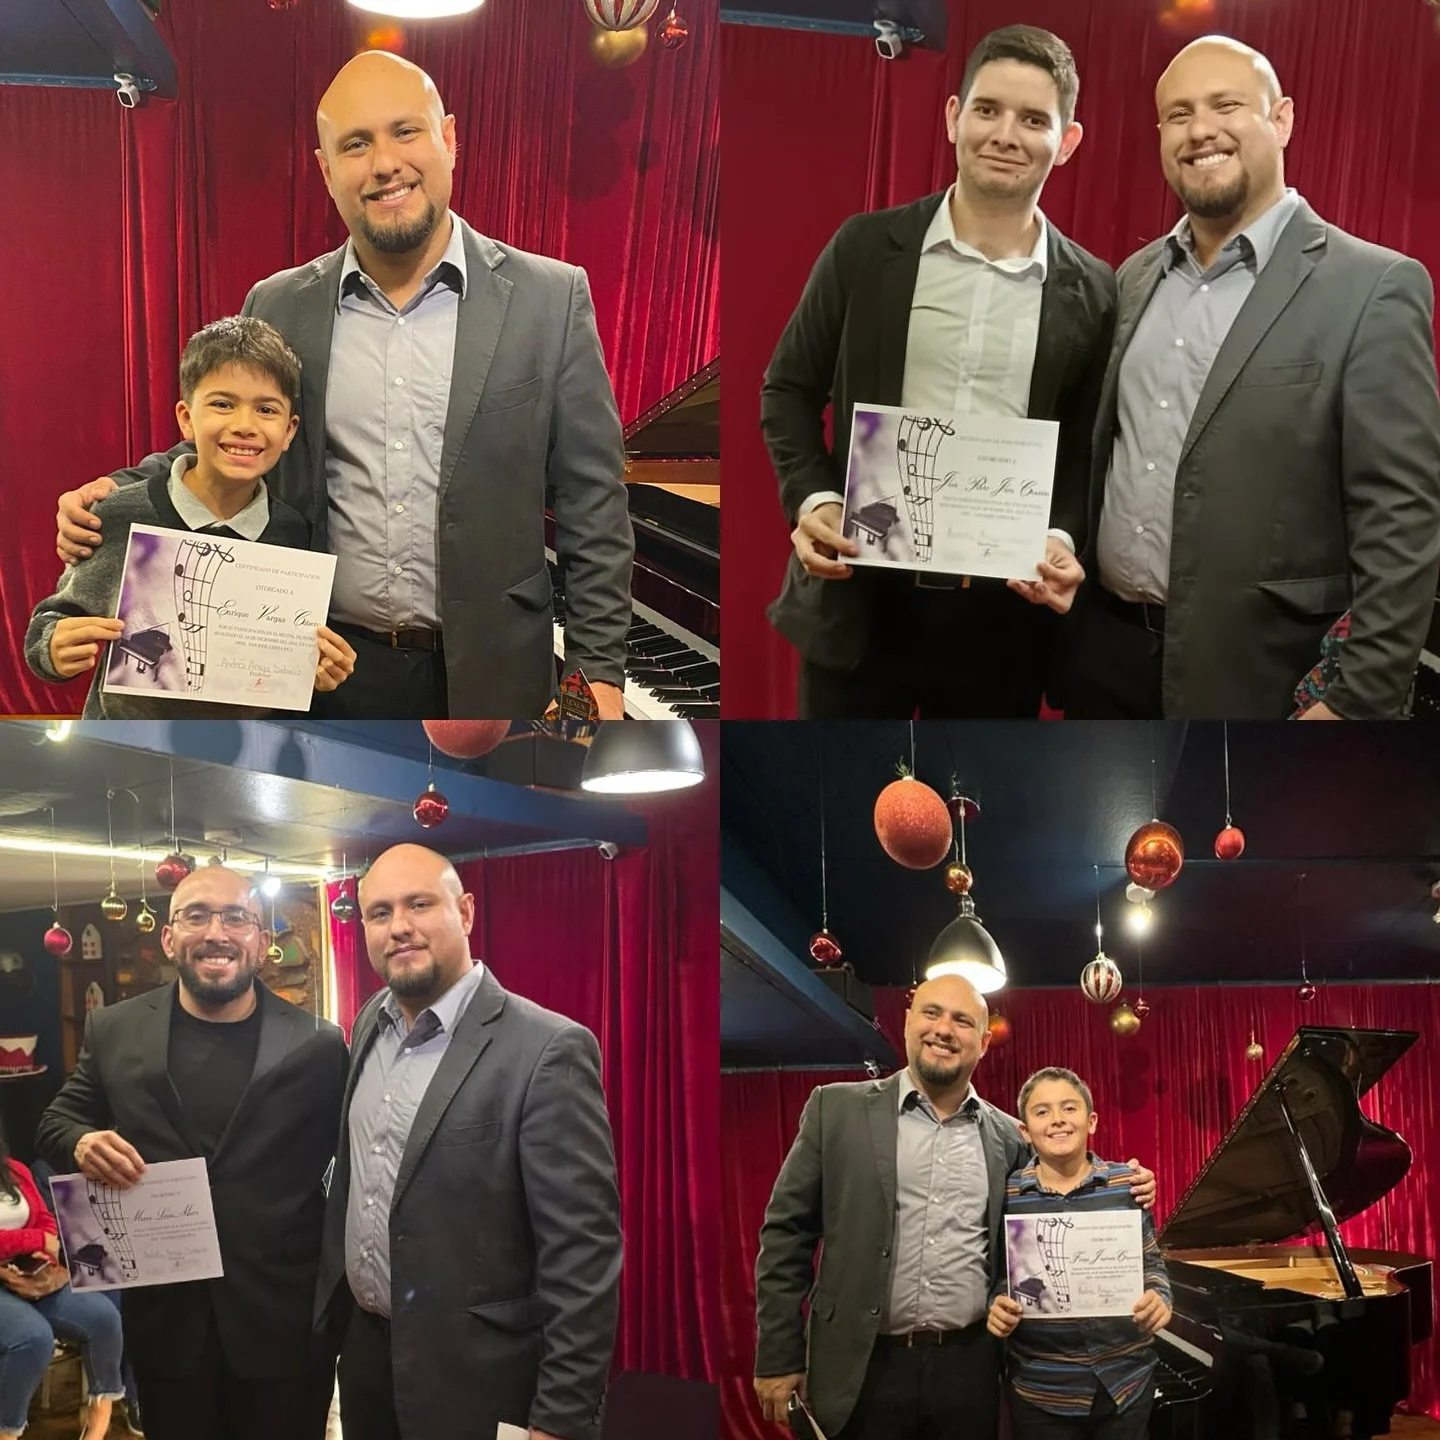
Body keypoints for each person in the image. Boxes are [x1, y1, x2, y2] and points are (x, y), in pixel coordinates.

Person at [54, 49, 633, 721]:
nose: (385, 163)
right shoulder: (277, 304)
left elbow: (594, 504)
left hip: (501, 676)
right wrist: (111, 496)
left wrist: (598, 679)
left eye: (405, 131)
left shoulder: (551, 299)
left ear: (449, 139)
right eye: (356, 144)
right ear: (327, 170)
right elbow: (236, 443)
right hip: (322, 670)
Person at [1068, 35, 1440, 720]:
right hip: (1105, 662)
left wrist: (1355, 701)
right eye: (1178, 114)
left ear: (1283, 119)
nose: (1201, 129)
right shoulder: (1133, 277)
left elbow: (1405, 521)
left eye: (1226, 105)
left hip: (1268, 685)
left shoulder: (1373, 287)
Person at [762, 25, 1116, 719]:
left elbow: (1084, 450)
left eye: (1034, 119)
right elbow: (787, 391)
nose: (1005, 134)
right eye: (987, 109)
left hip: (1004, 622)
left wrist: (1063, 539)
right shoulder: (865, 248)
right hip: (859, 606)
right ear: (954, 116)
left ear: (1067, 141)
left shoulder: (1095, 290)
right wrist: (814, 500)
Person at [752, 976, 1157, 1440]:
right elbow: (786, 1233)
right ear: (906, 1023)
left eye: (962, 1020)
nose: (944, 1029)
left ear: (983, 1042)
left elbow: (1055, 1201)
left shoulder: (1010, 1136)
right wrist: (778, 1357)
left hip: (969, 1368)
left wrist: (1130, 1184)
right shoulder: (835, 1109)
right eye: (931, 1012)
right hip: (860, 1366)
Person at [314, 843, 622, 1440]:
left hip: (481, 1383)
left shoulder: (547, 1051)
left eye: (419, 904)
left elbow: (583, 1254)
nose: (399, 927)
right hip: (368, 1368)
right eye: (379, 913)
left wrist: (561, 1416)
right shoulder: (369, 1025)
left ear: (467, 912)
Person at [35, 867, 348, 1440]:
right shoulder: (115, 1029)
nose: (217, 932)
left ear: (261, 939)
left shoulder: (320, 1045)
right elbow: (54, 1123)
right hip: (167, 1325)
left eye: (236, 917)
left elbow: (355, 1168)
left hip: (285, 1324)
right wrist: (80, 1141)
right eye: (196, 915)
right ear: (170, 938)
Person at [25, 316, 356, 716]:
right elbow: (55, 618)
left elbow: (292, 655)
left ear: (289, 430)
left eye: (266, 409)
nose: (244, 426)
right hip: (128, 753)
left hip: (248, 758)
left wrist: (318, 670)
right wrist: (52, 649)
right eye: (222, 404)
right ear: (186, 417)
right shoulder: (118, 515)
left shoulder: (292, 532)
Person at [986, 1068, 1171, 1439]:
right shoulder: (1007, 1197)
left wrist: (1160, 1296)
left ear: (1091, 1121)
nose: (1057, 1119)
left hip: (1125, 1383)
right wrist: (998, 1303)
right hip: (1041, 1388)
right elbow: (1001, 1274)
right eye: (1041, 1112)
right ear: (1024, 1131)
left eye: (1069, 1108)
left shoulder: (1127, 1185)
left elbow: (1151, 1263)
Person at [0, 1120, 124, 1440]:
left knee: (103, 1315)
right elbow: (38, 1235)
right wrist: (36, 1241)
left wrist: (46, 1242)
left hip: (30, 1273)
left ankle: (99, 1420)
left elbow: (43, 1218)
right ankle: (8, 1431)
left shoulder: (14, 1169)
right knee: (32, 1337)